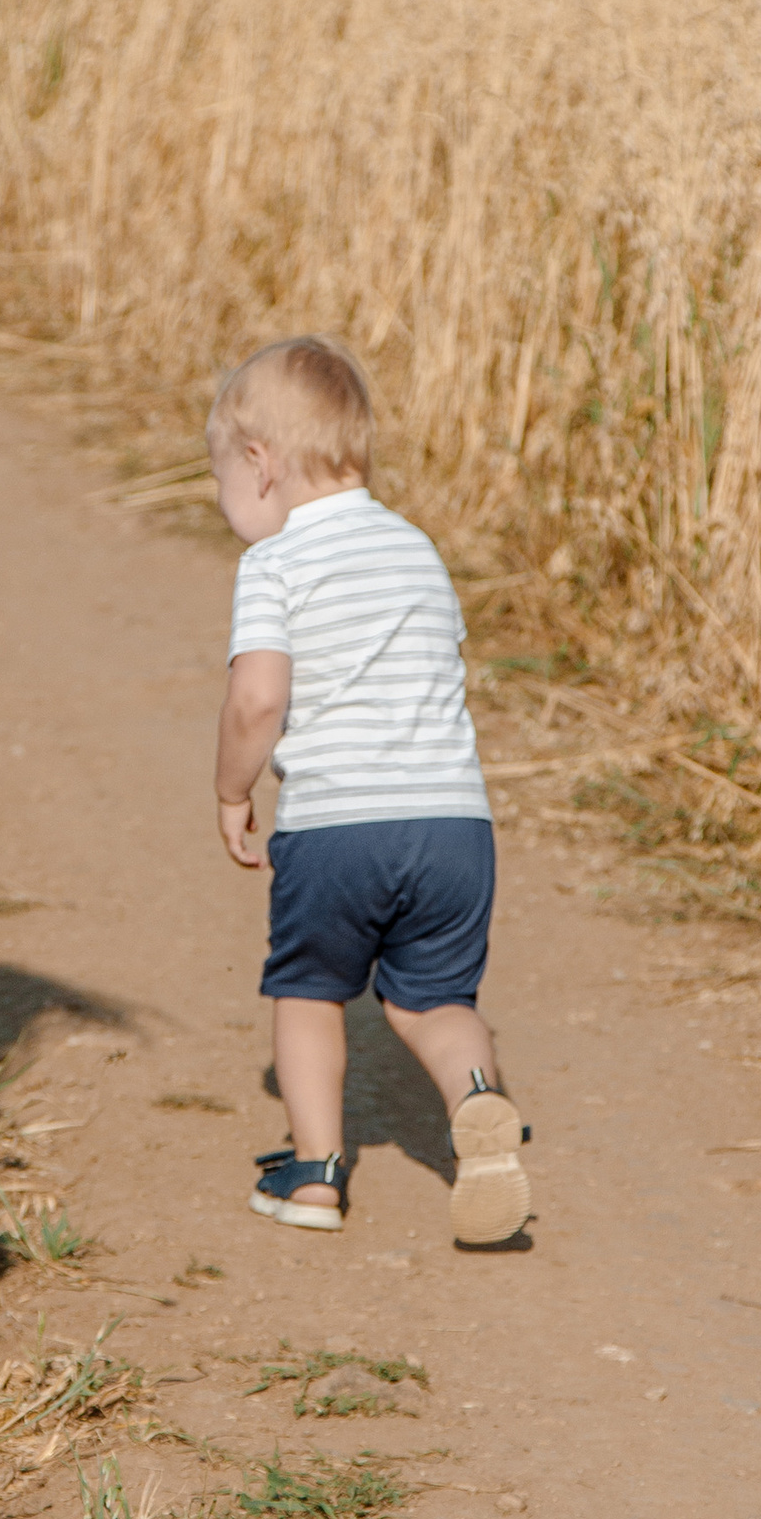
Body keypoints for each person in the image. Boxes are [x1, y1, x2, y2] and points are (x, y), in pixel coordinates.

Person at [207, 336, 531, 1249]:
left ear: (261, 466)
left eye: (222, 477)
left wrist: (233, 788)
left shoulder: (275, 565)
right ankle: (478, 1107)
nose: (224, 498)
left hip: (338, 827)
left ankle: (314, 1174)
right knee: (435, 1000)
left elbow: (258, 697)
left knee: (309, 990)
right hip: (454, 825)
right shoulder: (416, 548)